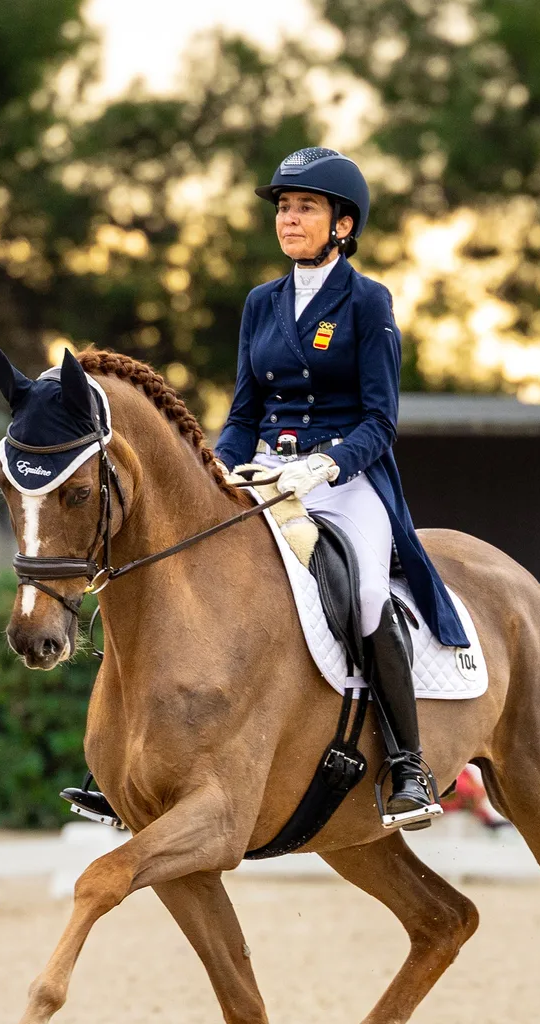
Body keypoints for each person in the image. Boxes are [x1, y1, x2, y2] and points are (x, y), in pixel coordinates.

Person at [64, 147, 470, 833]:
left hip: (344, 482)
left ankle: (407, 764)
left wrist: (324, 465)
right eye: (283, 207)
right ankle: (120, 765)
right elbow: (245, 410)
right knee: (178, 574)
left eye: (305, 206)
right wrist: (217, 467)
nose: (289, 218)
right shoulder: (262, 303)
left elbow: (381, 420)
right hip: (261, 474)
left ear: (343, 225)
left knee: (366, 591)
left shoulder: (368, 302)